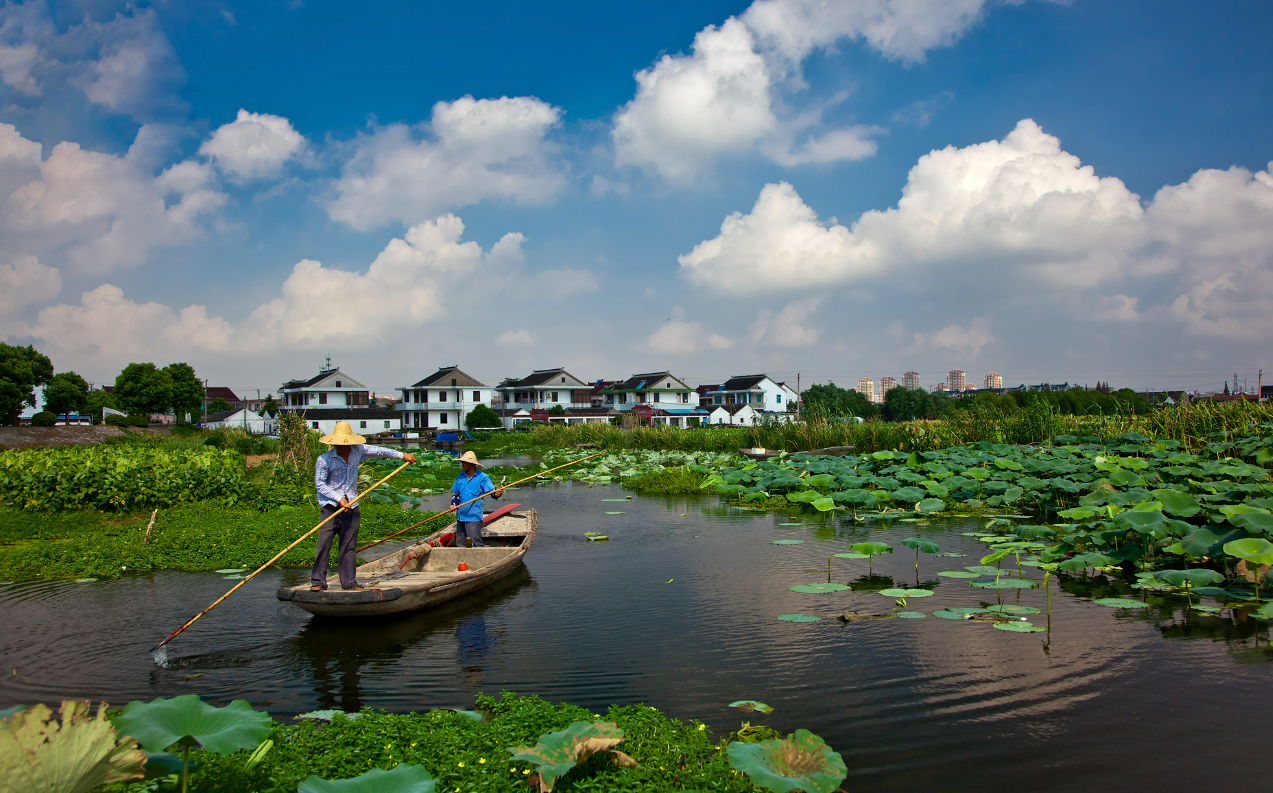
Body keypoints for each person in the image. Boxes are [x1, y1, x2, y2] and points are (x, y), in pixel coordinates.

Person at [310, 421, 416, 591]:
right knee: (324, 544)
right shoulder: (324, 460)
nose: (339, 445)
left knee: (348, 546)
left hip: (352, 505)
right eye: (337, 442)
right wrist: (339, 499)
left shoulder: (358, 451)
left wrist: (401, 455)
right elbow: (320, 485)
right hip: (330, 506)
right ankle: (317, 581)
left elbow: (380, 451)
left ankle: (349, 582)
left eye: (343, 442)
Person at [447, 450, 504, 547]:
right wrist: (453, 505)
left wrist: (497, 494)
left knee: (475, 542)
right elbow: (456, 495)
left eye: (464, 463)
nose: (462, 465)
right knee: (460, 543)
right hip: (461, 516)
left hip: (473, 517)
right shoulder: (460, 476)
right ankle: (462, 560)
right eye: (462, 462)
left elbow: (492, 492)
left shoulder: (482, 477)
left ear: (471, 464)